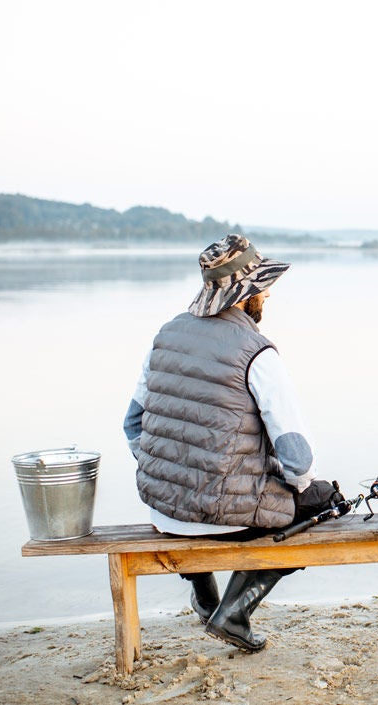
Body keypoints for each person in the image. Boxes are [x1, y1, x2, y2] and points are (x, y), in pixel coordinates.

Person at [123, 234, 336, 653]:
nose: (269, 293)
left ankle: (204, 595)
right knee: (324, 501)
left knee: (211, 489)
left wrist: (176, 471)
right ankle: (234, 612)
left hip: (163, 509)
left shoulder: (165, 336)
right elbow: (298, 459)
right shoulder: (257, 352)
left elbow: (132, 425)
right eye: (263, 286)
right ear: (245, 294)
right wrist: (298, 488)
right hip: (224, 519)